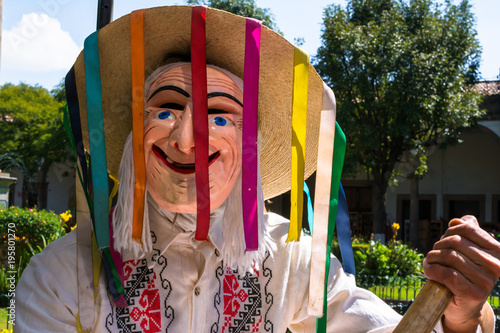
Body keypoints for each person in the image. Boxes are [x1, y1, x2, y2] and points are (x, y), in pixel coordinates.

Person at [16, 6, 500, 332]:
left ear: (249, 147)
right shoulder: (63, 275)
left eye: (219, 115)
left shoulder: (292, 262)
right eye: (165, 109)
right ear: (130, 136)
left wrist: (455, 316)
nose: (186, 138)